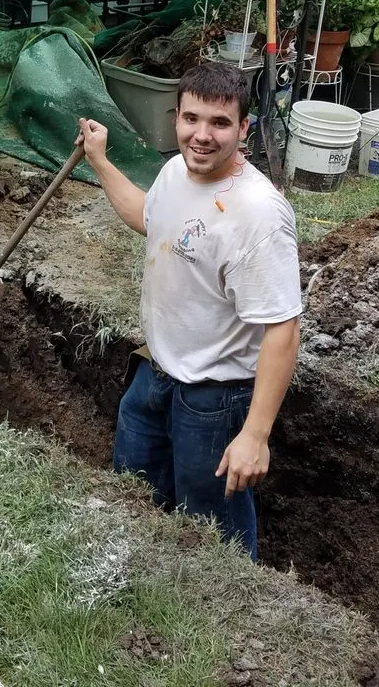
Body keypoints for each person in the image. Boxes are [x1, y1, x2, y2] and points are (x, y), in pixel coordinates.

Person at [77, 62, 301, 560]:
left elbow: (283, 330)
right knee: (133, 495)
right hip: (155, 375)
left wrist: (255, 435)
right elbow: (148, 218)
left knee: (211, 529)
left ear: (244, 128)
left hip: (215, 398)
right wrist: (100, 160)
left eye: (220, 123)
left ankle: (229, 612)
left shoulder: (257, 217)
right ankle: (143, 585)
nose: (202, 135)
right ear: (174, 117)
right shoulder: (175, 171)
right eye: (191, 119)